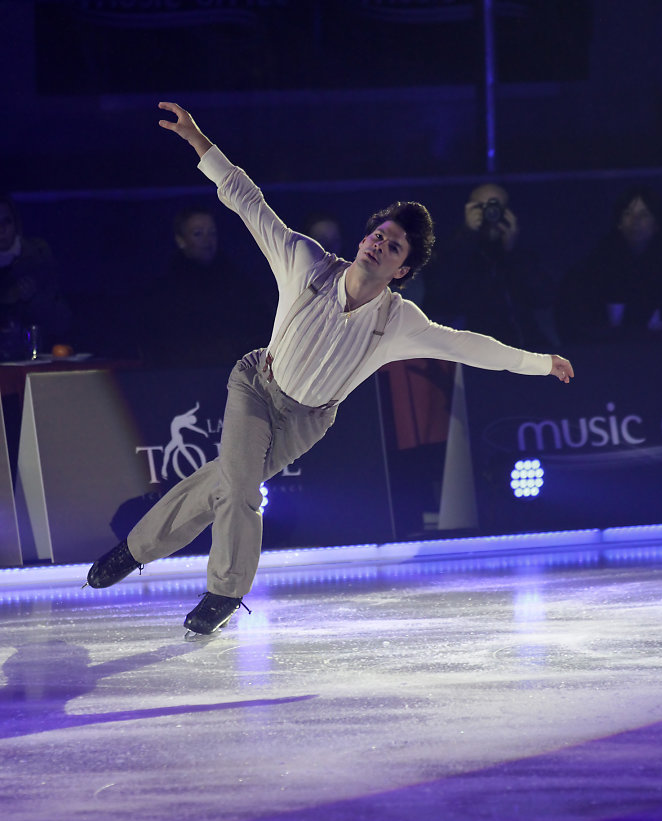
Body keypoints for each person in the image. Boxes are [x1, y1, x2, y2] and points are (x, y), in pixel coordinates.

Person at [86, 102, 574, 638]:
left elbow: (468, 346)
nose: (378, 245)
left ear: (401, 269)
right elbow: (250, 204)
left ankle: (133, 550)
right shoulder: (305, 261)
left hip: (305, 422)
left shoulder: (399, 321)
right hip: (256, 385)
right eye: (377, 235)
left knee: (220, 486)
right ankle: (224, 592)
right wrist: (199, 141)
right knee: (241, 487)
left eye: (392, 247)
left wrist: (539, 363)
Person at [424, 182, 557, 351]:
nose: (490, 213)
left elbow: (544, 297)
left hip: (520, 350)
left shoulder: (521, 254)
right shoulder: (451, 250)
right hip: (471, 353)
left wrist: (512, 252)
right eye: (481, 207)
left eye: (496, 207)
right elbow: (439, 294)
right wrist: (467, 235)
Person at [136, 205, 271, 368]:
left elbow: (256, 326)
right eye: (197, 233)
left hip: (231, 373)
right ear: (181, 240)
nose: (207, 240)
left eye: (212, 233)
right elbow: (160, 339)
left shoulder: (236, 282)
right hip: (181, 375)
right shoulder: (166, 290)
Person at [555, 185, 662, 346]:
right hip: (604, 356)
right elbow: (576, 322)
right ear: (619, 222)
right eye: (628, 213)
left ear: (657, 224)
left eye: (644, 215)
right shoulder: (594, 267)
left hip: (661, 357)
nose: (635, 221)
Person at [0, 194, 71, 359]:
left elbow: (61, 320)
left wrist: (33, 299)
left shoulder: (37, 257)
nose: (1, 229)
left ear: (16, 224)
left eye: (6, 221)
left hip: (34, 356)